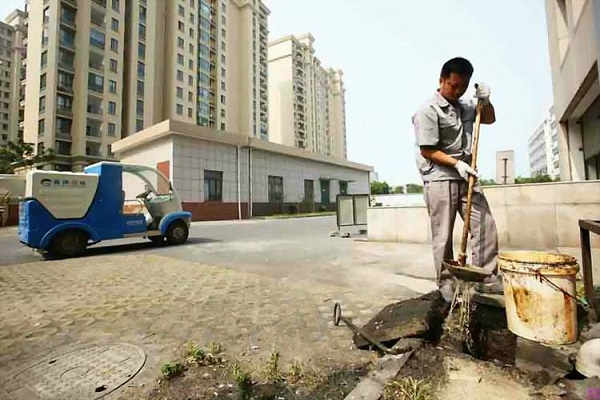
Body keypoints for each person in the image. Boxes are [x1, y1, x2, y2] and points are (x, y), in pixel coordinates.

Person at [412, 57, 502, 301]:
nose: (458, 90)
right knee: (443, 235)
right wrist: (456, 163)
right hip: (440, 177)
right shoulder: (427, 111)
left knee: (485, 225)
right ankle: (447, 283)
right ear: (441, 80)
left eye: (463, 86)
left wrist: (486, 100)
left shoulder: (465, 107)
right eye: (453, 85)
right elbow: (427, 150)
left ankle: (486, 277)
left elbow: (489, 118)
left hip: (467, 176)